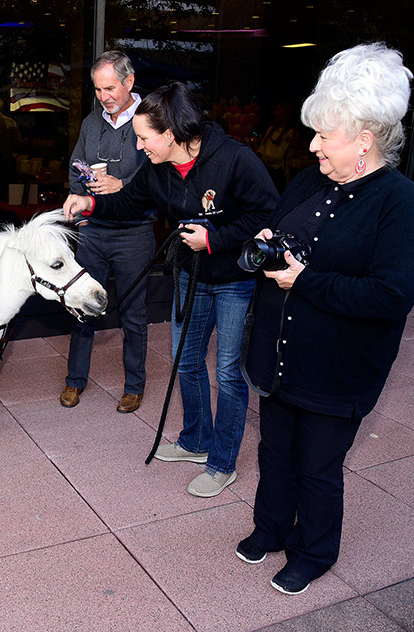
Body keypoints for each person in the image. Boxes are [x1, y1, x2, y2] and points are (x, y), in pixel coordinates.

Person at [236, 43, 414, 595]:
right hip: (280, 356)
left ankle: (314, 552)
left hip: (338, 367)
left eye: (325, 135)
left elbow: (391, 295)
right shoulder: (307, 183)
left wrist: (305, 280)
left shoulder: (403, 205)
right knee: (274, 451)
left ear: (364, 142)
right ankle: (270, 527)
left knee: (318, 466)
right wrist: (265, 242)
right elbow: (277, 236)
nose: (314, 145)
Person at [63, 82, 279, 497]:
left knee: (230, 373)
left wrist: (214, 241)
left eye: (144, 137)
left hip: (234, 281)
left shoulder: (236, 159)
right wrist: (89, 203)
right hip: (189, 275)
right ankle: (195, 441)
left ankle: (222, 463)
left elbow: (268, 214)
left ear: (171, 134)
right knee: (186, 361)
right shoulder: (159, 168)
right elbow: (129, 204)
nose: (139, 146)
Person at [60, 50, 154, 414]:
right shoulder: (90, 124)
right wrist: (83, 220)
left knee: (133, 314)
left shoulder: (151, 121)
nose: (104, 97)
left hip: (134, 232)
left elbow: (159, 176)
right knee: (81, 309)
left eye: (110, 88)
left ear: (129, 82)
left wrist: (122, 185)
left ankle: (134, 386)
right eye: (98, 90)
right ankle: (74, 381)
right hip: (94, 232)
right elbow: (74, 173)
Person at [257, 99, 297, 191]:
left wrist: (263, 157)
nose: (275, 113)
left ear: (287, 112)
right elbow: (262, 148)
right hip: (266, 171)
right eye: (275, 110)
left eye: (279, 110)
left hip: (279, 174)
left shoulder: (290, 133)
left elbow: (278, 156)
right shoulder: (271, 130)